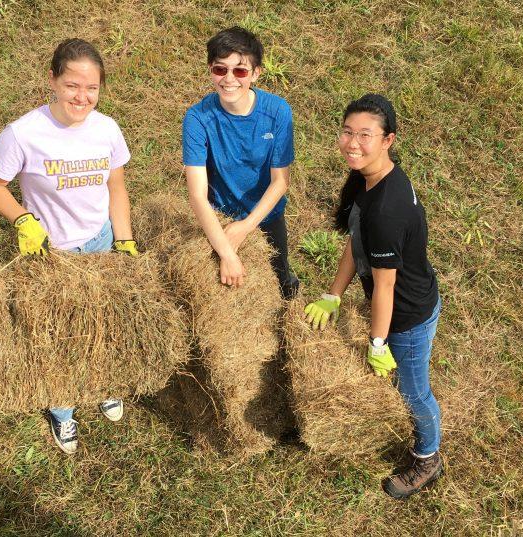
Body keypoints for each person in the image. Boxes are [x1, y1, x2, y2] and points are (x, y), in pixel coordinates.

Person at [0, 39, 137, 455]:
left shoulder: (107, 129)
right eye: (71, 86)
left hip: (101, 242)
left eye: (91, 89)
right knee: (57, 334)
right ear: (52, 80)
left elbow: (116, 188)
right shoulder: (24, 133)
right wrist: (23, 220)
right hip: (50, 254)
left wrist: (123, 239)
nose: (81, 97)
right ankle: (62, 410)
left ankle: (103, 385)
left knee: (103, 321)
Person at [303, 94, 442, 499]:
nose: (352, 143)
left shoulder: (387, 209)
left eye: (365, 135)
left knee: (414, 391)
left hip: (408, 314)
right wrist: (333, 295)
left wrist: (378, 342)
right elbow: (356, 240)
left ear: (388, 140)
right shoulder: (373, 179)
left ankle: (428, 457)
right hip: (404, 298)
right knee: (406, 383)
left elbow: (385, 285)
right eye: (347, 132)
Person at [182, 26, 299, 299]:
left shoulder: (277, 111)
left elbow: (281, 180)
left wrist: (246, 227)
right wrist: (226, 251)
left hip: (267, 216)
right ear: (211, 69)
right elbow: (197, 195)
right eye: (220, 70)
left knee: (281, 280)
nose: (229, 79)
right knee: (223, 292)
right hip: (221, 216)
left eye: (240, 71)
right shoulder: (197, 118)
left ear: (256, 73)